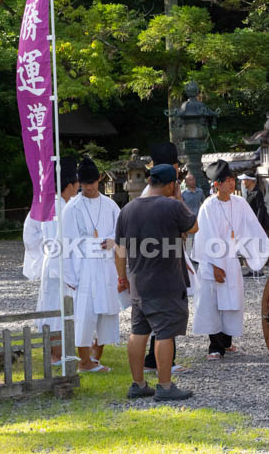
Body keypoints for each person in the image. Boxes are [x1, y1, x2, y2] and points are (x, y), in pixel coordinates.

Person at [115, 163, 199, 401]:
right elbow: (194, 226)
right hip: (166, 281)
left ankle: (138, 383)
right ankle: (164, 386)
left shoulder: (128, 209)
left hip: (138, 280)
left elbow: (119, 250)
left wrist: (122, 277)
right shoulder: (172, 206)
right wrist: (180, 198)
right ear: (172, 184)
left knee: (138, 332)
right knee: (164, 333)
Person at [192, 160, 269, 359]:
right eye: (228, 180)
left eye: (233, 179)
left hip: (231, 260)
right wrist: (216, 265)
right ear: (217, 184)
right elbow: (206, 237)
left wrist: (263, 249)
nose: (232, 183)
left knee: (231, 300)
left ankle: (227, 342)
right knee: (213, 303)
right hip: (213, 262)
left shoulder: (240, 203)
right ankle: (215, 346)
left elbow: (251, 227)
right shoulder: (208, 206)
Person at [62, 157, 122, 373]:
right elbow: (66, 243)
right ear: (79, 182)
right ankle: (84, 361)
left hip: (105, 265)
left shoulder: (109, 204)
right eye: (84, 183)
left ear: (98, 179)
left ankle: (98, 353)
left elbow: (121, 228)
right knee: (84, 313)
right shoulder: (73, 208)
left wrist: (113, 239)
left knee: (107, 309)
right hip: (84, 266)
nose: (89, 187)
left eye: (92, 182)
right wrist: (70, 276)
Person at [141, 142, 194, 376]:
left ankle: (153, 360)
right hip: (164, 263)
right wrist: (179, 199)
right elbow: (190, 226)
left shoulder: (147, 195)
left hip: (149, 264)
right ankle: (162, 364)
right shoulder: (167, 198)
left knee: (150, 319)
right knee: (168, 316)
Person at [22, 157, 79, 363]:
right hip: (57, 262)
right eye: (77, 183)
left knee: (64, 308)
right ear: (70, 185)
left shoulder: (65, 204)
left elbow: (30, 234)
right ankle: (55, 355)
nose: (79, 187)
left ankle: (61, 352)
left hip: (61, 261)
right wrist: (44, 254)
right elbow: (31, 233)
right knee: (55, 309)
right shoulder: (55, 206)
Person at [240, 172, 269, 240]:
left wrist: (257, 224)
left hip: (258, 225)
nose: (243, 182)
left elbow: (260, 209)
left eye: (244, 180)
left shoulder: (257, 193)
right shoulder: (249, 193)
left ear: (250, 180)